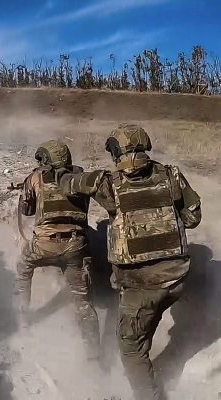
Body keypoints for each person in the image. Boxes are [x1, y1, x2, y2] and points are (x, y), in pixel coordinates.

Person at [53, 124, 202, 400]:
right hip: (176, 279)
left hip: (140, 286)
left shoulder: (107, 183)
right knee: (147, 322)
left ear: (116, 152)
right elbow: (193, 217)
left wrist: (60, 170)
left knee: (129, 344)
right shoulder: (171, 176)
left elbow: (69, 184)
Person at [15, 140, 101, 361]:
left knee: (24, 266)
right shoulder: (80, 178)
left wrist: (28, 189)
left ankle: (23, 318)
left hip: (44, 245)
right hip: (76, 246)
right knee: (83, 300)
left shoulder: (35, 178)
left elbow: (26, 210)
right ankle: (94, 353)